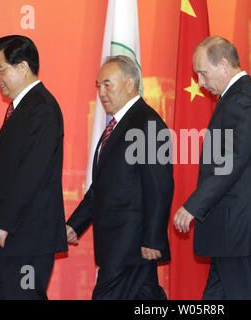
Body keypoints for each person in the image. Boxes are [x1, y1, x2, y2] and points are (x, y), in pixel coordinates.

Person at [173, 36, 251, 300]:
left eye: (203, 73)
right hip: (231, 231)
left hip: (238, 229)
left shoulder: (242, 101)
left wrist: (194, 205)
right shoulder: (237, 98)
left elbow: (230, 161)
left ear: (223, 64)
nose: (200, 82)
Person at [66, 55, 173, 300]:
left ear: (129, 84)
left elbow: (160, 187)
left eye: (107, 84)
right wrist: (75, 224)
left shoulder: (147, 123)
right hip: (120, 246)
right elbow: (102, 187)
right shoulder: (117, 125)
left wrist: (153, 239)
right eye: (98, 85)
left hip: (131, 245)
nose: (101, 92)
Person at [0, 35, 68, 299]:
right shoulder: (23, 107)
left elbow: (31, 172)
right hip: (1, 242)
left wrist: (4, 222)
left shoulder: (42, 108)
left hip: (23, 238)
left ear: (23, 67)